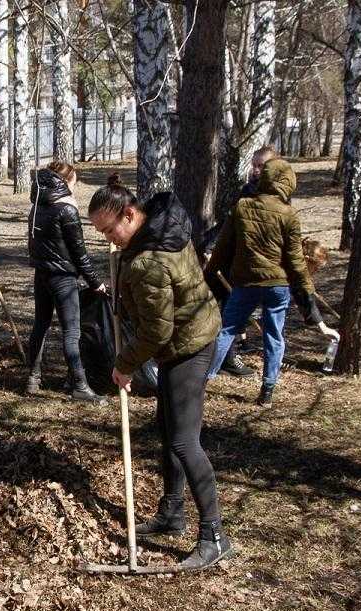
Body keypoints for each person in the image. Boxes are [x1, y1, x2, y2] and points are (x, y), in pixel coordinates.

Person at [88, 175, 232, 573]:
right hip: (184, 337)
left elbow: (156, 330)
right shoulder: (161, 227)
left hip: (187, 345)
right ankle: (172, 513)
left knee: (185, 441)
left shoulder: (149, 260)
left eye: (109, 229)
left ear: (130, 214)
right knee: (168, 431)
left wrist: (124, 363)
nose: (108, 239)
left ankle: (214, 536)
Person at [204, 157, 335, 408]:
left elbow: (222, 248)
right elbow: (296, 263)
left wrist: (209, 274)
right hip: (278, 286)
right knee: (274, 336)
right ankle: (268, 389)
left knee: (228, 330)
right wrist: (311, 306)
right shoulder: (288, 215)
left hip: (246, 284)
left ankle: (202, 381)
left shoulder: (242, 207)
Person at [24, 161, 108, 403]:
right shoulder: (66, 209)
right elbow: (79, 254)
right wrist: (95, 283)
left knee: (40, 325)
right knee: (72, 331)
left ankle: (33, 378)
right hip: (63, 279)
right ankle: (80, 385)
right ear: (66, 181)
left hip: (41, 275)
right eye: (75, 180)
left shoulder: (37, 205)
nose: (76, 184)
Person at [201, 144, 277, 379]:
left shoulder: (275, 195)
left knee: (233, 310)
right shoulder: (248, 191)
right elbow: (230, 223)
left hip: (250, 263)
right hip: (232, 260)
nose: (255, 170)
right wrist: (210, 245)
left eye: (260, 166)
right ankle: (223, 359)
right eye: (253, 166)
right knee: (227, 309)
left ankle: (228, 357)